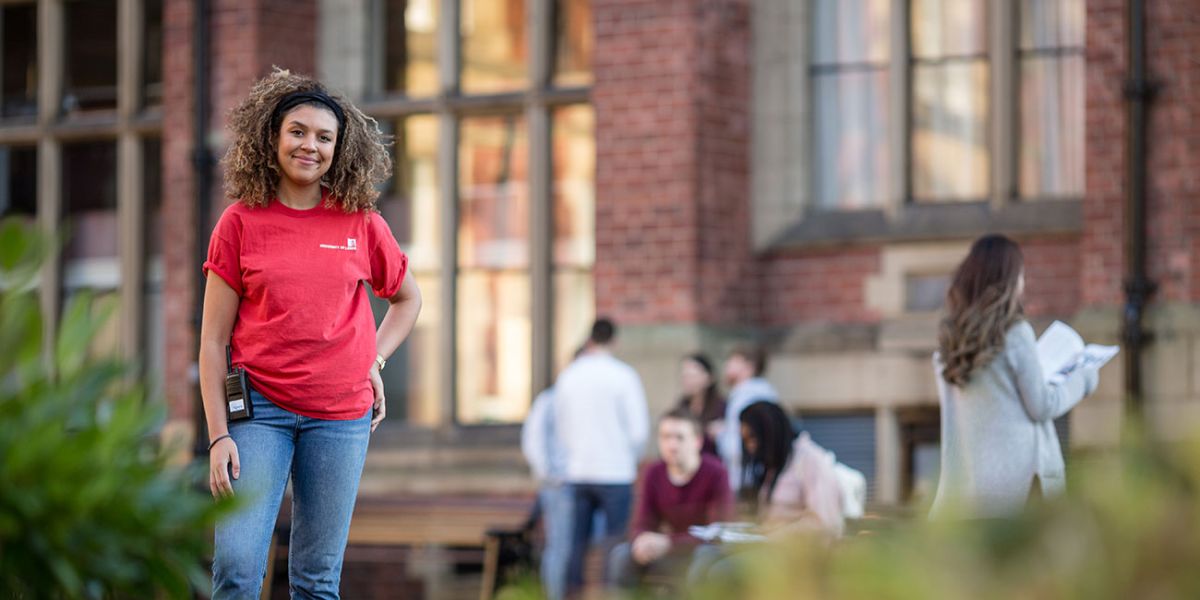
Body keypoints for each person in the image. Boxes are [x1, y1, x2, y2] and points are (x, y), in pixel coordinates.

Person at [200, 69, 421, 598]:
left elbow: (408, 298)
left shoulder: (360, 222)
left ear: (338, 149)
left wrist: (376, 361)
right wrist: (217, 435)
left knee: (317, 579)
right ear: (272, 138)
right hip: (259, 413)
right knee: (235, 565)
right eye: (298, 131)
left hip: (341, 417)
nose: (310, 146)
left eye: (324, 137)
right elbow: (213, 341)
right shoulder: (239, 223)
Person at [930, 234, 1098, 519]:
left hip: (971, 494)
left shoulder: (950, 345)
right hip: (1021, 488)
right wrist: (1084, 378)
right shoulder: (1015, 334)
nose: (1024, 283)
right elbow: (1042, 405)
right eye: (1021, 274)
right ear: (1008, 279)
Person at [554, 318, 650, 596]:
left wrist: (572, 455)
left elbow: (561, 425)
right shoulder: (624, 375)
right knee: (614, 543)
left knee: (577, 544)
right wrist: (629, 458)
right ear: (614, 341)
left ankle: (571, 595)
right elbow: (639, 431)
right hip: (616, 471)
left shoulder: (569, 375)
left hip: (579, 470)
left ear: (590, 340)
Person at [607, 408, 733, 590]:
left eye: (680, 437)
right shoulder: (653, 472)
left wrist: (669, 542)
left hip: (701, 550)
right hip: (668, 551)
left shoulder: (716, 473)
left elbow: (717, 532)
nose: (672, 445)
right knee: (622, 555)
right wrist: (641, 540)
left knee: (705, 557)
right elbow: (641, 523)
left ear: (697, 441)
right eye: (665, 437)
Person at [738, 401, 844, 538]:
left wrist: (777, 534)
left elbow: (825, 523)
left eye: (752, 438)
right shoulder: (774, 466)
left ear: (771, 431)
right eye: (745, 441)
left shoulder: (810, 460)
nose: (750, 447)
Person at [520, 383, 572, 600]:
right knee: (559, 546)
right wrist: (550, 475)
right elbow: (533, 441)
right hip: (559, 485)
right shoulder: (551, 399)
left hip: (589, 480)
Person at [716, 346, 779, 491]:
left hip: (748, 478)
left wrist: (720, 434)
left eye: (733, 361)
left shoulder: (749, 397)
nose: (727, 366)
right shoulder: (751, 393)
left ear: (749, 367)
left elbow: (741, 442)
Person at [674, 354, 726, 457]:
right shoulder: (681, 406)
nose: (687, 380)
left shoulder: (722, 407)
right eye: (684, 376)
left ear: (709, 378)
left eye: (692, 376)